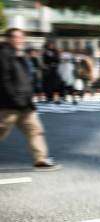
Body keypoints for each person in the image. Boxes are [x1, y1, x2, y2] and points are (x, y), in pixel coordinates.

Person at [0, 28, 60, 170]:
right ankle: (41, 159)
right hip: (10, 103)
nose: (19, 40)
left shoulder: (19, 54)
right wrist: (15, 98)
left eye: (21, 37)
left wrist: (27, 96)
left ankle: (40, 159)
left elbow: (25, 77)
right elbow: (4, 80)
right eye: (15, 37)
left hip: (25, 103)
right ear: (9, 38)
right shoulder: (3, 54)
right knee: (1, 131)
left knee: (35, 130)